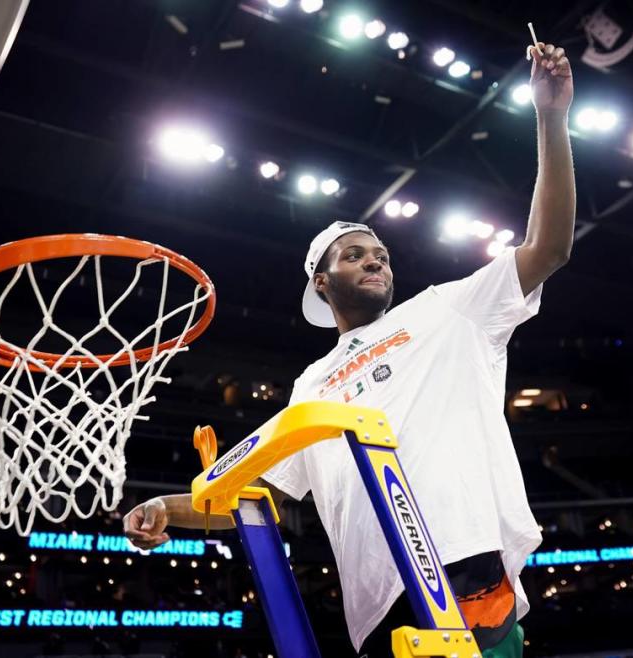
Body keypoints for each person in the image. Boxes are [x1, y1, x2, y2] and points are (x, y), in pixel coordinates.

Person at [123, 41, 575, 657]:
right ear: (320, 280)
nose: (375, 260)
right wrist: (168, 509)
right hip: (374, 599)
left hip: (460, 562)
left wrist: (550, 118)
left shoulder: (447, 308)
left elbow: (548, 248)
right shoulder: (312, 383)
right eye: (355, 254)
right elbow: (266, 497)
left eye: (381, 254)